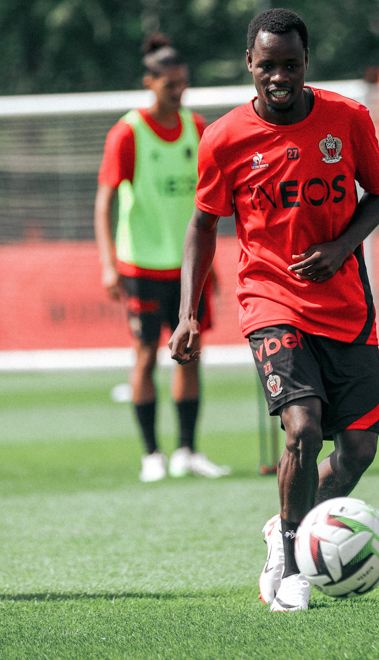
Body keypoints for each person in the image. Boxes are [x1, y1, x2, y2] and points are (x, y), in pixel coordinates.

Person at [169, 8, 379, 611]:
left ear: (306, 62)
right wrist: (188, 314)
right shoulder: (224, 138)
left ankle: (282, 525)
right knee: (303, 429)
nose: (279, 77)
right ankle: (293, 567)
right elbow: (202, 224)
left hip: (346, 304)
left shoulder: (348, 119)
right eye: (267, 65)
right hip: (270, 299)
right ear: (250, 62)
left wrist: (341, 247)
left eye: (291, 65)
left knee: (358, 451)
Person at [95, 32, 229, 483]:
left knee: (190, 355)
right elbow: (104, 202)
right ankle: (151, 453)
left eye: (183, 82)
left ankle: (187, 450)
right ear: (149, 82)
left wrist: (212, 264)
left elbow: (207, 206)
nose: (178, 91)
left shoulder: (198, 128)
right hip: (141, 266)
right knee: (145, 355)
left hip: (188, 268)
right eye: (170, 84)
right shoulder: (128, 133)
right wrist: (108, 263)